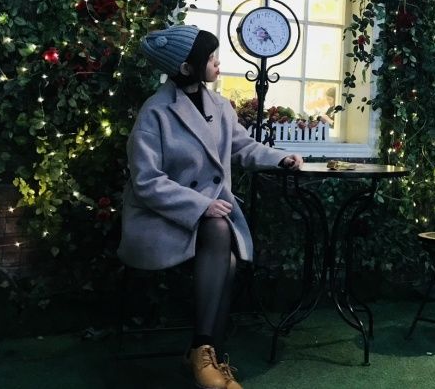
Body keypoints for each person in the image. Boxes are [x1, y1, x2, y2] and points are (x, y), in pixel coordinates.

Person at [118, 24, 303, 389]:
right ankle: (206, 351)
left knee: (225, 249)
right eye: (211, 58)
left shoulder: (220, 106)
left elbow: (243, 147)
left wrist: (279, 158)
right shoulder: (154, 112)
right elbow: (147, 181)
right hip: (162, 217)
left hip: (207, 216)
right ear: (187, 68)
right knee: (220, 232)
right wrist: (200, 205)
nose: (218, 63)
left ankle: (204, 355)